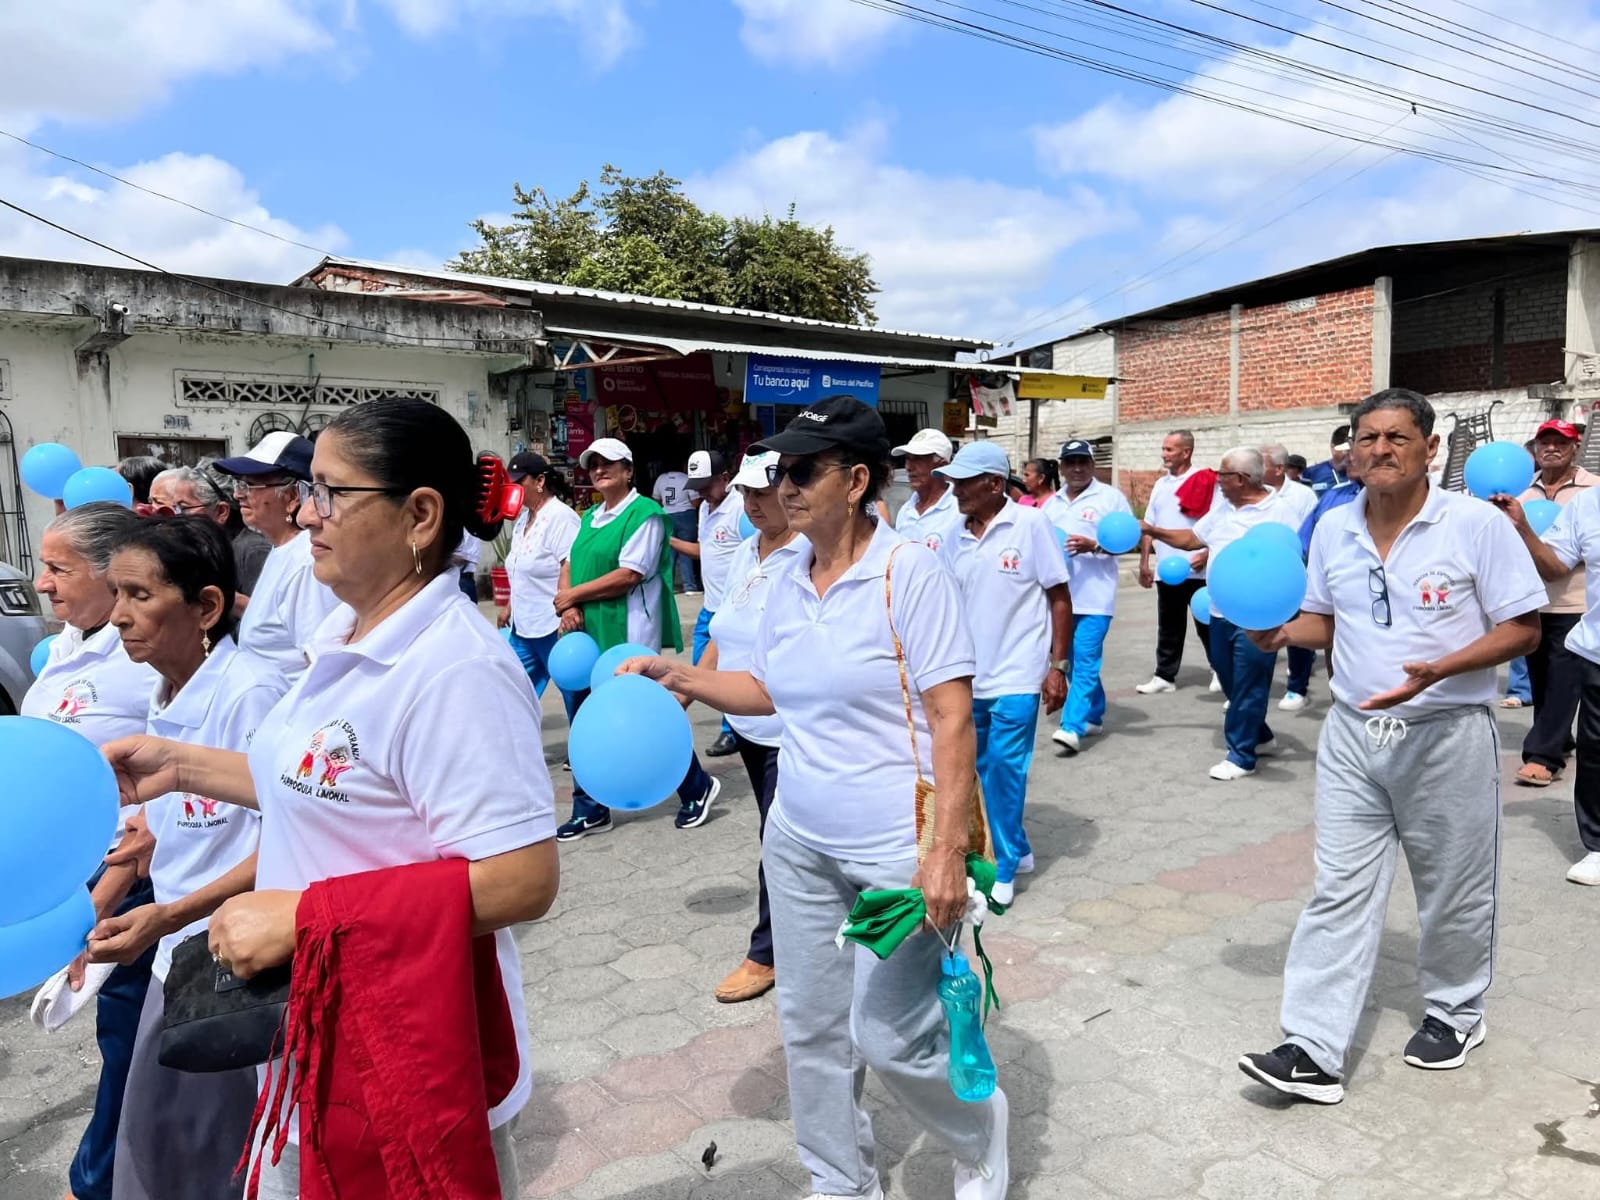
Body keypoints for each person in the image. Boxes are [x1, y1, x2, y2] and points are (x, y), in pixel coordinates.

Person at [104, 398, 559, 1197]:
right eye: (309, 490)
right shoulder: (345, 638)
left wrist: (305, 919)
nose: (306, 513)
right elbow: (314, 788)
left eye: (330, 493)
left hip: (411, 1046)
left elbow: (522, 880)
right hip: (319, 1022)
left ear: (420, 515)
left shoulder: (455, 670)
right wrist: (176, 765)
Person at [623, 395, 1009, 1200]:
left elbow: (952, 717)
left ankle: (979, 1134)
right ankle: (840, 1179)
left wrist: (946, 850)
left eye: (803, 471)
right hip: (798, 837)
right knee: (810, 1028)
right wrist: (680, 674)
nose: (784, 486)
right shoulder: (786, 577)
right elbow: (768, 689)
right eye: (780, 472)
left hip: (894, 849)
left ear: (858, 480)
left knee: (892, 1035)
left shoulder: (908, 573)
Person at [1238, 388, 1544, 1102]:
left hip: (1447, 731)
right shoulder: (1333, 527)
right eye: (1367, 437)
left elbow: (1524, 629)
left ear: (1430, 449)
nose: (1380, 449)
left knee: (1452, 886)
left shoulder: (1473, 525)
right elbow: (1325, 619)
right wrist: (1280, 633)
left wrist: (1440, 669)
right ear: (1351, 450)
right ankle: (1312, 1047)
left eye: (1397, 437)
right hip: (1353, 734)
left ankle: (1455, 1011)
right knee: (1338, 888)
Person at [82, 517, 286, 1200]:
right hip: (177, 960)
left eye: (140, 595)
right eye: (116, 593)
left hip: (234, 971)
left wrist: (168, 916)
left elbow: (289, 839)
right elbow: (164, 825)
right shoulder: (163, 690)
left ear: (206, 607)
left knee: (216, 1160)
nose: (118, 615)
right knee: (159, 1149)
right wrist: (101, 908)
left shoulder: (250, 693)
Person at [23, 503, 159, 1200]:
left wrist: (103, 899)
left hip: (130, 878)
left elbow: (167, 793)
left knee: (130, 1042)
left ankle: (97, 1183)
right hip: (70, 875)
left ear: (112, 575)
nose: (41, 582)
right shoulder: (67, 647)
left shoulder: (143, 662)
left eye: (57, 568)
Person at [554, 437, 721, 839]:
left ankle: (696, 787)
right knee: (585, 718)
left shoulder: (645, 514)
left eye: (608, 463)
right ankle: (590, 807)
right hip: (586, 632)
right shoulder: (590, 517)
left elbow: (629, 574)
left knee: (646, 718)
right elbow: (570, 563)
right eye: (593, 464)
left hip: (627, 632)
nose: (599, 470)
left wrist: (573, 596)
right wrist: (567, 605)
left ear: (629, 470)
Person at [938, 442, 1072, 906]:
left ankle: (1004, 866)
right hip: (968, 678)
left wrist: (1057, 666)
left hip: (1018, 674)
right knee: (975, 771)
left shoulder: (1031, 525)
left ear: (995, 483)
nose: (955, 491)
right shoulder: (954, 535)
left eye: (963, 483)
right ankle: (1018, 846)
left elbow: (1059, 597)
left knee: (1005, 770)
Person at [698, 449, 806, 1004]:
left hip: (788, 729)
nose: (753, 504)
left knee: (778, 841)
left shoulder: (809, 555)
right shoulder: (745, 551)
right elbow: (720, 634)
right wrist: (686, 688)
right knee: (777, 835)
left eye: (763, 493)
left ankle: (769, 952)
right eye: (745, 494)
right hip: (746, 725)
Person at [1143, 447, 1301, 780]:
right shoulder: (1223, 509)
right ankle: (1261, 736)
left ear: (1241, 479)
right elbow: (1193, 539)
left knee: (1249, 684)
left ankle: (1241, 756)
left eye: (1222, 475)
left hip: (1257, 615)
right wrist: (1152, 530)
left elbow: (1294, 561)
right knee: (1229, 679)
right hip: (1218, 611)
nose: (1217, 480)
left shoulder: (1281, 512)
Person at [1493, 472, 1600, 884]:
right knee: (1595, 751)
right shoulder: (1588, 505)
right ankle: (1597, 846)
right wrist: (1522, 527)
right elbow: (1555, 568)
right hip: (1597, 650)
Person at [1503, 419, 1598, 784]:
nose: (1552, 448)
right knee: (1542, 682)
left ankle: (1543, 756)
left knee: (1563, 682)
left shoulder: (1593, 491)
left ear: (1575, 448)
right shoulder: (1519, 492)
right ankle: (1561, 739)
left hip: (1576, 604)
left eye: (1561, 442)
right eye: (1545, 442)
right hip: (1532, 602)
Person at [211, 432, 338, 685]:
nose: (238, 495)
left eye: (250, 485)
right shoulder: (282, 549)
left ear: (293, 497)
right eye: (239, 484)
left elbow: (320, 665)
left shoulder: (306, 560)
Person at [1043, 439, 1133, 755]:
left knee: (1085, 659)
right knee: (1069, 661)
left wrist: (1094, 546)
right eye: (1071, 462)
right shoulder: (1051, 504)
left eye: (1083, 462)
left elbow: (1127, 542)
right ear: (1062, 467)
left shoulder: (1111, 498)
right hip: (1060, 599)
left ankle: (1071, 726)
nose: (1077, 468)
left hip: (1095, 598)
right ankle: (1094, 713)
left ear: (1093, 465)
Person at [496, 451, 583, 730]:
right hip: (523, 626)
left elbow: (570, 564)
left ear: (540, 481)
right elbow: (519, 567)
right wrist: (509, 605)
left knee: (574, 692)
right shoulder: (523, 519)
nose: (514, 488)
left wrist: (568, 607)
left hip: (552, 624)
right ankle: (512, 742)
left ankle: (584, 742)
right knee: (511, 689)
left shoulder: (561, 517)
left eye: (519, 481)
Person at [673, 449, 744, 757]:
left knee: (727, 671)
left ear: (725, 478)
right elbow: (703, 550)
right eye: (697, 486)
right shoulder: (704, 509)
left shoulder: (741, 508)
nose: (700, 492)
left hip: (734, 608)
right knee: (703, 670)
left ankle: (732, 731)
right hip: (709, 606)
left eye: (706, 485)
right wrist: (668, 540)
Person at [1136, 430, 1213, 694]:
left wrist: (1207, 553)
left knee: (1207, 625)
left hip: (1198, 569)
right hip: (1168, 570)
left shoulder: (1205, 480)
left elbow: (1219, 523)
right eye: (1164, 449)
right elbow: (1149, 526)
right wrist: (1145, 563)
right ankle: (1165, 676)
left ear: (1186, 452)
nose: (1164, 455)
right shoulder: (1161, 485)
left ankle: (1220, 670)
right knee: (1169, 626)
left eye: (1169, 449)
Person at [150, 465, 271, 596]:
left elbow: (265, 607)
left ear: (221, 512)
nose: (177, 516)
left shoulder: (253, 552)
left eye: (183, 508)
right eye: (175, 507)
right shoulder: (201, 549)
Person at [1263, 445, 1319, 712]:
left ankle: (1297, 688)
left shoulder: (1302, 495)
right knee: (1263, 629)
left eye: (1261, 464)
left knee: (1297, 632)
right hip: (1262, 573)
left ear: (1279, 469)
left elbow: (1312, 533)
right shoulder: (1256, 494)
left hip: (1295, 571)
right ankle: (1251, 690)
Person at [892, 427, 964, 552]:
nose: (909, 467)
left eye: (918, 459)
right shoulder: (905, 511)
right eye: (908, 459)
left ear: (942, 465)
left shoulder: (959, 510)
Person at [653, 459, 699, 593]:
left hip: (667, 515)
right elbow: (695, 501)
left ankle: (668, 587)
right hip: (686, 516)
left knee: (669, 553)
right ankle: (689, 586)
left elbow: (656, 500)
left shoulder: (661, 479)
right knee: (686, 551)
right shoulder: (686, 478)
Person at [1302, 424, 1352, 495]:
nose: (1351, 456)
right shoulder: (1312, 473)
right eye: (1346, 451)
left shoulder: (1361, 473)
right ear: (1333, 448)